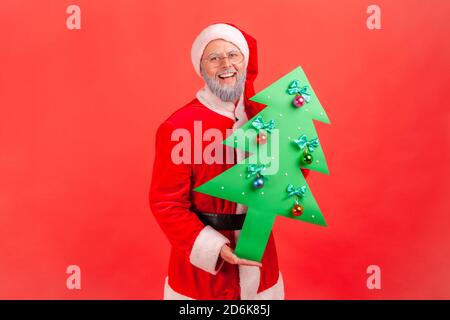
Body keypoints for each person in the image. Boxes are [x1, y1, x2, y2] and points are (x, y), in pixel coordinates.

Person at [150, 23, 309, 300]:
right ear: (201, 69)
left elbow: (290, 177)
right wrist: (214, 248)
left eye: (233, 55)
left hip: (260, 260)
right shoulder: (178, 127)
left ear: (245, 62)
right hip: (201, 277)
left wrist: (298, 152)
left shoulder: (267, 117)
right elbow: (166, 203)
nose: (226, 64)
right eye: (214, 58)